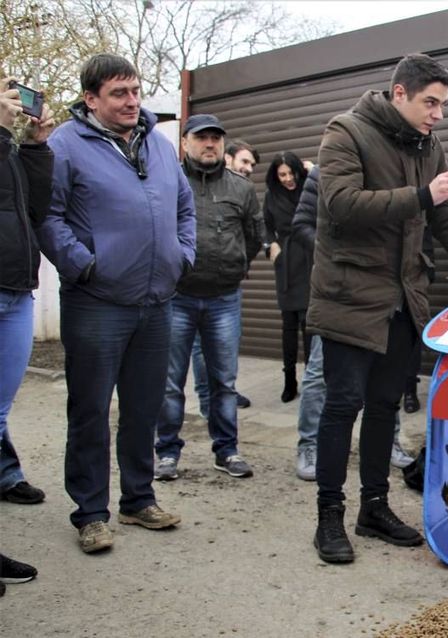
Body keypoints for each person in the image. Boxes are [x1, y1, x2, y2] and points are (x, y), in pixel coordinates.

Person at [308, 53, 448, 564]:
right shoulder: (346, 132)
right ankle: (328, 517)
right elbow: (341, 204)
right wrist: (422, 195)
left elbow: (446, 221)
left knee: (383, 409)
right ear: (400, 94)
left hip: (404, 300)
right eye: (430, 102)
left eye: (442, 104)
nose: (438, 115)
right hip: (351, 298)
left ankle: (372, 508)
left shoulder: (429, 147)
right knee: (341, 407)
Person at [38, 54, 194, 553]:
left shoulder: (160, 144)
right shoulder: (64, 144)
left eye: (135, 91)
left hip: (157, 299)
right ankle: (90, 513)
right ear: (91, 99)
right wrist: (83, 264)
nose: (132, 102)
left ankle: (138, 499)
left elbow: (184, 206)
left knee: (144, 407)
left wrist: (182, 256)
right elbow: (48, 215)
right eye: (118, 94)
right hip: (97, 301)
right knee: (89, 409)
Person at [153, 114, 262, 481]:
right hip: (177, 297)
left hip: (223, 299)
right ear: (185, 143)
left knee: (224, 381)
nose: (210, 144)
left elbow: (252, 236)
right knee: (169, 383)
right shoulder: (167, 181)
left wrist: (234, 268)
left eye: (216, 138)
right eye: (202, 138)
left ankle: (227, 450)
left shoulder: (241, 189)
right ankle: (166, 453)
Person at [290, 165, 416, 481]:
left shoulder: (388, 173)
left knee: (386, 377)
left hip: (382, 293)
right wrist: (332, 251)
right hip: (337, 295)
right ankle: (309, 445)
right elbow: (301, 224)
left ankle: (389, 443)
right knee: (319, 373)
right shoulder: (323, 173)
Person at [0, 73, 55, 591]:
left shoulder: (9, 148)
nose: (14, 100)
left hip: (15, 290)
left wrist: (35, 148)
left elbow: (34, 210)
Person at [190, 138, 260, 413]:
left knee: (224, 349)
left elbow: (254, 234)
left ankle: (223, 398)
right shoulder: (196, 185)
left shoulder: (242, 191)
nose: (249, 168)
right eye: (244, 161)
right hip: (190, 285)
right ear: (228, 158)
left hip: (227, 286)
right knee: (200, 348)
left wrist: (238, 262)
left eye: (252, 164)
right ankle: (208, 402)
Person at [264, 152, 311, 403]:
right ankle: (289, 380)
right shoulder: (272, 195)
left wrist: (314, 170)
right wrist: (270, 244)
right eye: (282, 174)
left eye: (291, 173)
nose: (287, 179)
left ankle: (312, 379)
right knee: (288, 325)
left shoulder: (309, 187)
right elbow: (265, 224)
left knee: (309, 324)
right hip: (286, 262)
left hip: (308, 258)